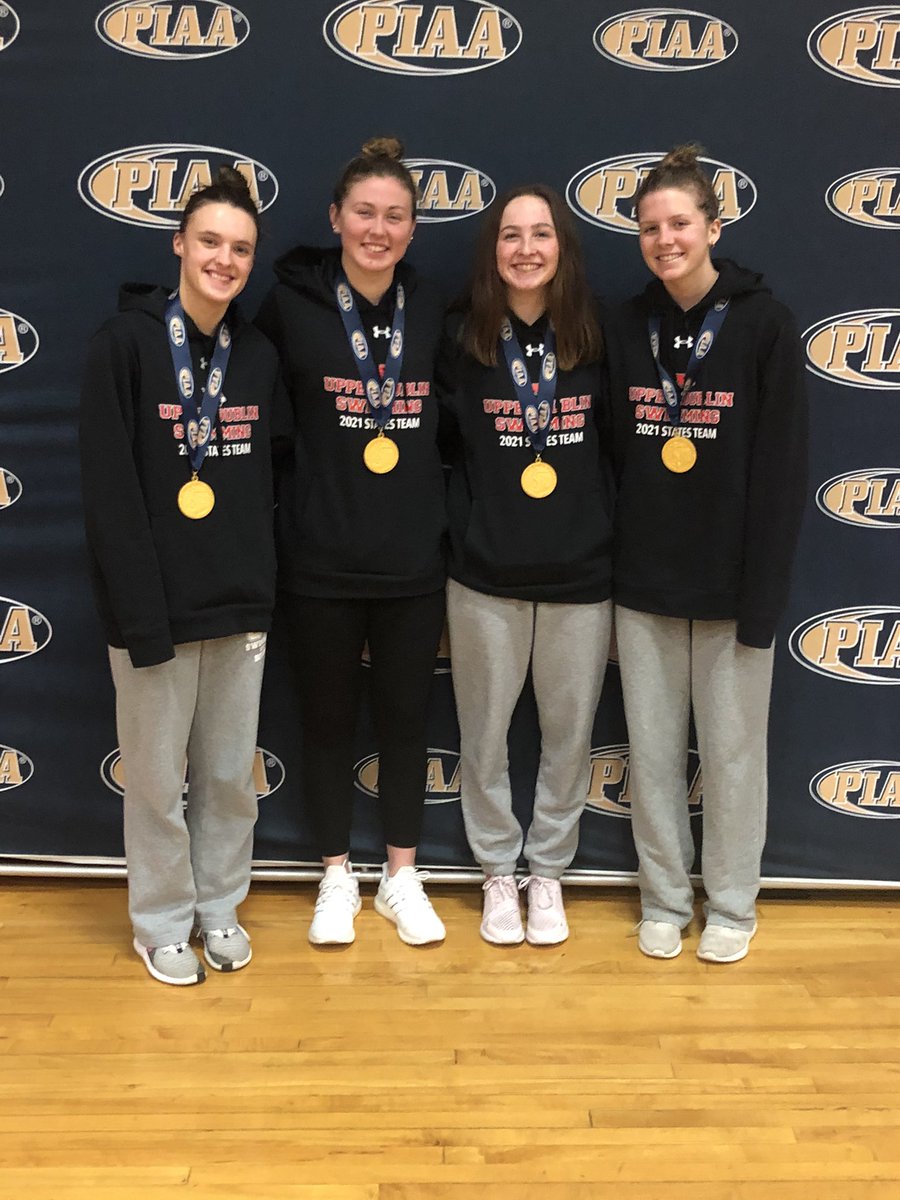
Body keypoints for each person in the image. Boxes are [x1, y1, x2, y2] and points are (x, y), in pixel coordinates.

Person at [80, 167, 283, 985]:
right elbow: (111, 493)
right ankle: (161, 921)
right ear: (178, 244)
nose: (224, 260)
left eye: (239, 249)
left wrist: (264, 588)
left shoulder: (258, 353)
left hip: (238, 603)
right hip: (154, 610)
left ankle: (219, 907)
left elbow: (270, 480)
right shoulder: (123, 345)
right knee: (159, 783)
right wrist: (139, 616)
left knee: (231, 778)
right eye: (210, 242)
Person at [605, 144, 808, 963]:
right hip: (644, 585)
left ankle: (730, 904)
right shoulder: (628, 326)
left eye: (680, 223)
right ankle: (663, 898)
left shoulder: (763, 322)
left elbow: (784, 472)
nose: (665, 239)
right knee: (652, 758)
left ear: (713, 227)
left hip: (731, 590)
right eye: (651, 227)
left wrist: (762, 600)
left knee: (730, 758)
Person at [255, 137, 447, 947]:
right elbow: (266, 432)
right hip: (320, 561)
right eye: (364, 212)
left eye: (394, 216)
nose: (378, 229)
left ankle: (402, 875)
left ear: (412, 230)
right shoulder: (288, 305)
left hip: (410, 563)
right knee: (326, 722)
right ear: (335, 217)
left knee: (407, 720)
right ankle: (334, 875)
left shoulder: (436, 308)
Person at [441, 185, 614, 946]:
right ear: (493, 252)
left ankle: (548, 872)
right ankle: (496, 875)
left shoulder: (600, 338)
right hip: (485, 576)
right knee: (482, 737)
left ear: (562, 249)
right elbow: (439, 454)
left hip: (582, 577)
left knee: (567, 736)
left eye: (541, 234)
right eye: (510, 235)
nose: (525, 249)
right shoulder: (461, 339)